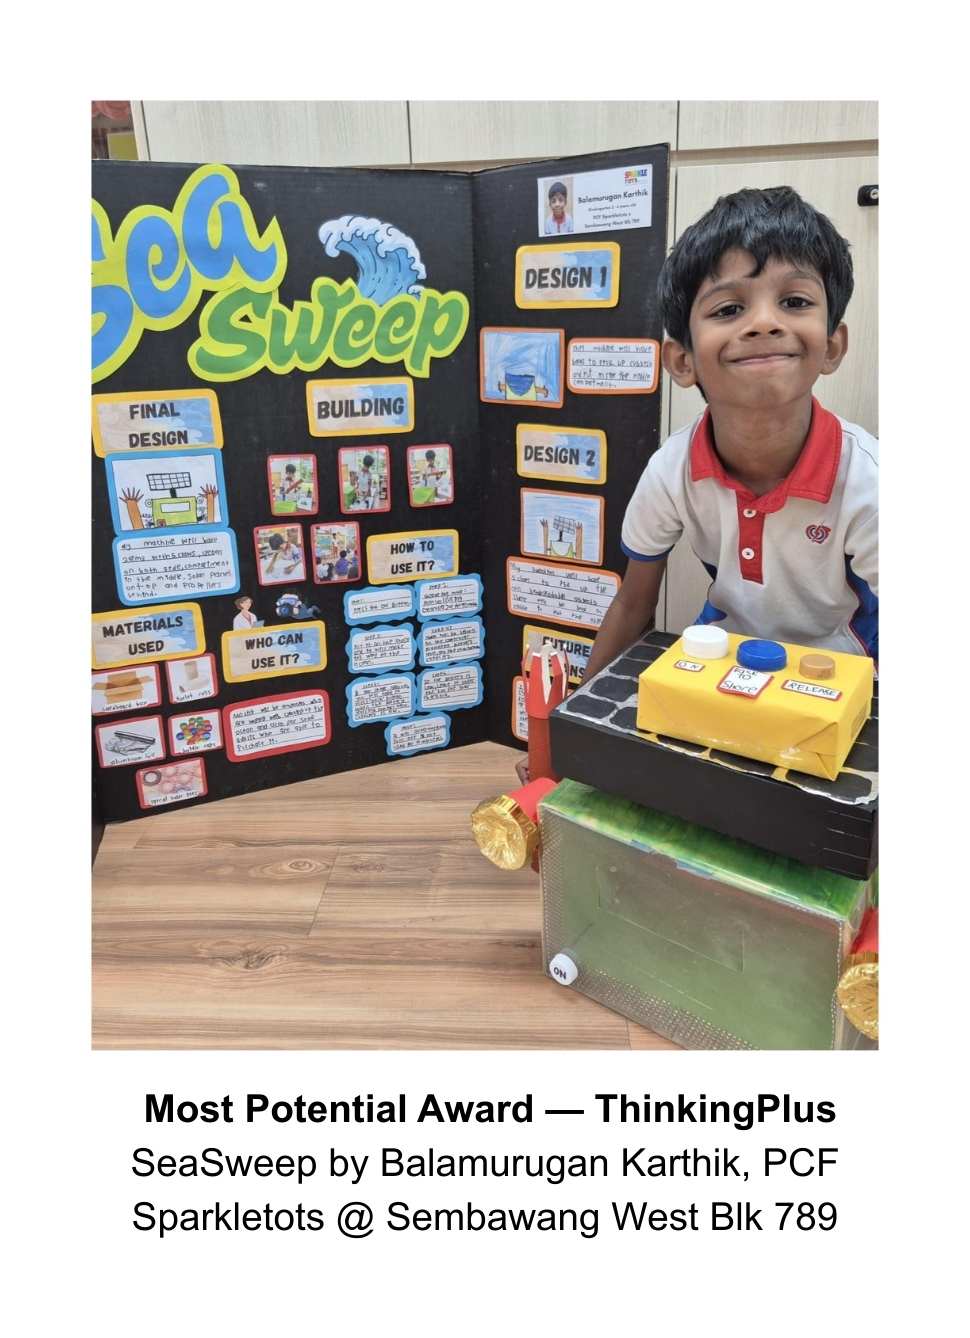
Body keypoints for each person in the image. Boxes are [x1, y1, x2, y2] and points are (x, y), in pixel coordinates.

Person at [583, 185, 877, 685]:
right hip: (723, 667)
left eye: (794, 301)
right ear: (682, 360)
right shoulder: (672, 469)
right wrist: (567, 721)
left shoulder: (871, 482)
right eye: (727, 309)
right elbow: (632, 605)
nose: (763, 323)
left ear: (831, 346)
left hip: (846, 677)